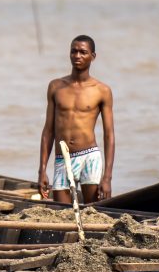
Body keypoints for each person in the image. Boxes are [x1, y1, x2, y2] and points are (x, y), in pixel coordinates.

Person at [38, 35, 115, 203]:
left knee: (93, 213)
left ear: (92, 57)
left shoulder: (102, 90)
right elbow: (48, 131)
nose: (77, 56)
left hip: (90, 157)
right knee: (62, 212)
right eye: (74, 51)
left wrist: (107, 177)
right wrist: (42, 170)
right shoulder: (56, 86)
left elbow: (109, 135)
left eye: (83, 52)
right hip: (62, 158)